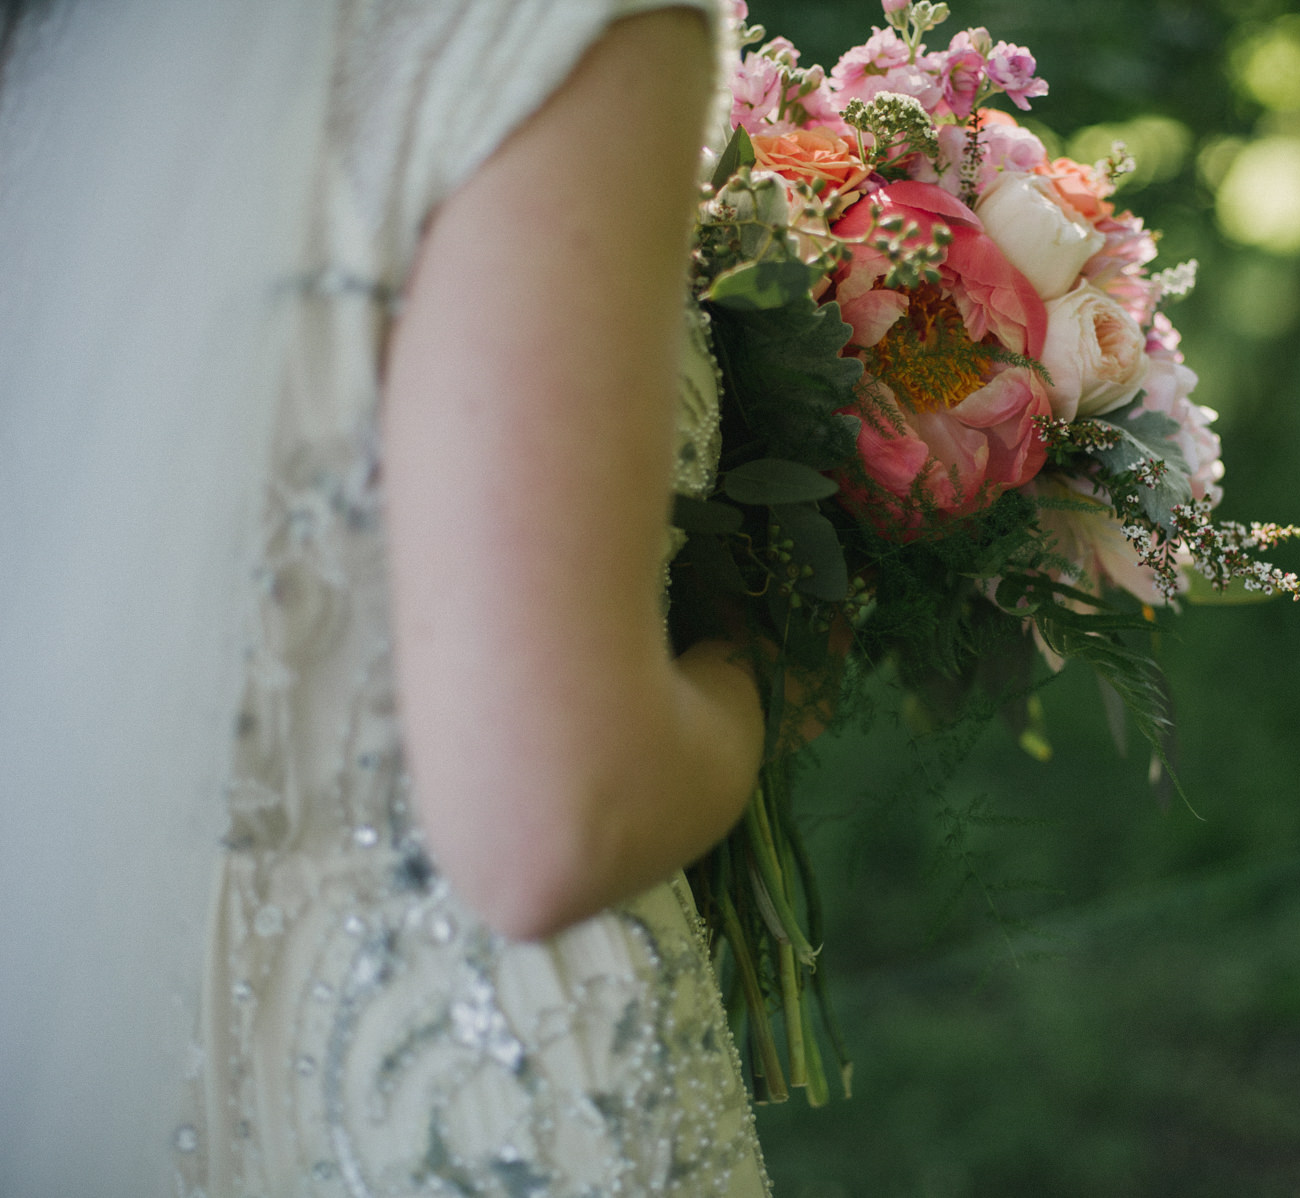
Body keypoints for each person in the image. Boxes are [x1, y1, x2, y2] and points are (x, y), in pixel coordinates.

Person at [0, 0, 772, 1192]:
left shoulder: (98, 40)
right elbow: (554, 825)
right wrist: (754, 683)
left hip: (104, 1020)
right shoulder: (574, 26)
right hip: (456, 1078)